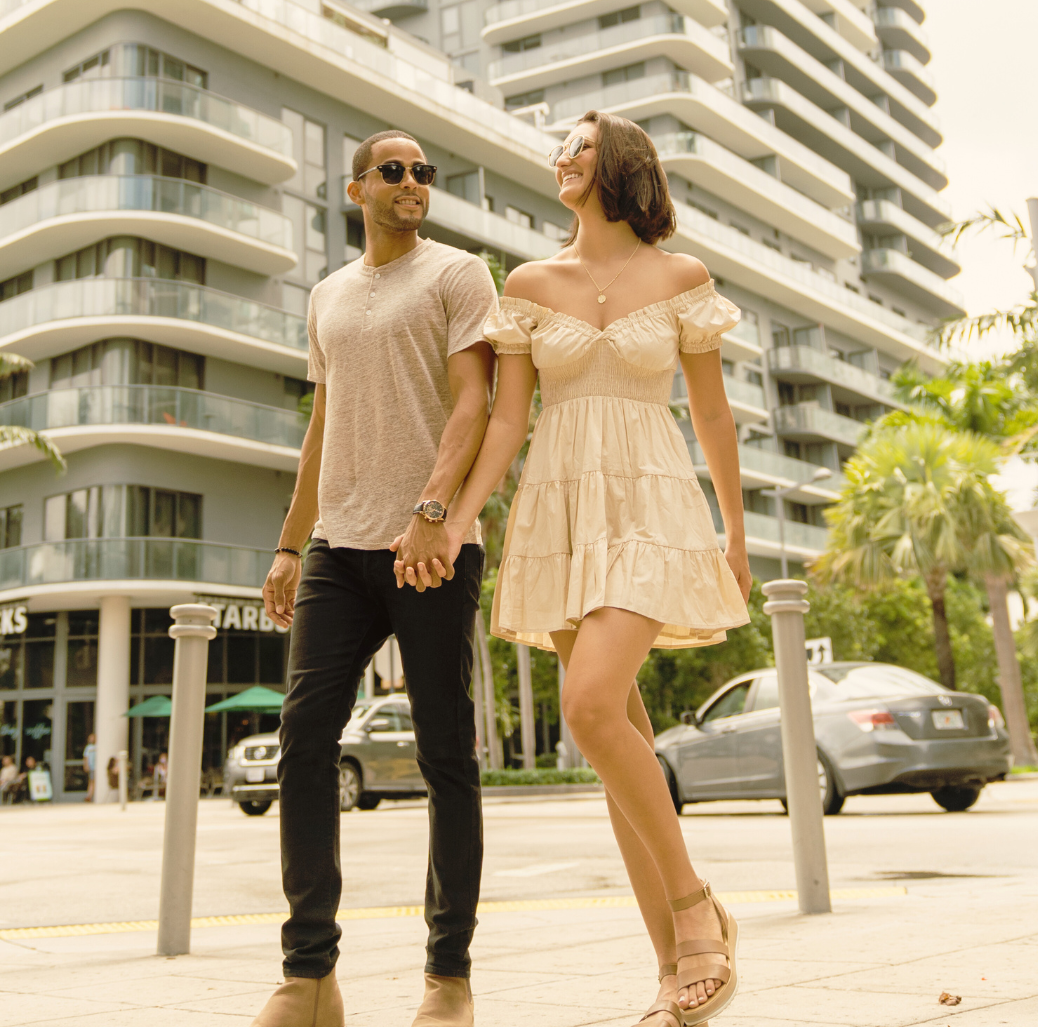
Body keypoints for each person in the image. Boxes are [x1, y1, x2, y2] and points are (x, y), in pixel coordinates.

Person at [438, 112, 753, 1026]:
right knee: (619, 742)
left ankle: (697, 915)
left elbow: (715, 416)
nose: (562, 158)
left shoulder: (680, 277)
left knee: (588, 706)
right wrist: (460, 515)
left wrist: (735, 534)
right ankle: (670, 970)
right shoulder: (530, 283)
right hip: (561, 506)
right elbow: (505, 419)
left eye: (578, 145)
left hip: (652, 500)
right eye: (560, 149)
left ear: (619, 164)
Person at [256, 130, 497, 1027]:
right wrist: (289, 544)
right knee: (304, 736)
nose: (412, 183)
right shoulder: (326, 296)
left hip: (429, 545)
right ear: (357, 188)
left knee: (445, 755)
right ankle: (309, 976)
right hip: (338, 548)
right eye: (393, 171)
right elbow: (325, 424)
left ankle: (448, 977)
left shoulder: (458, 275)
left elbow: (473, 399)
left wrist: (434, 514)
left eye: (424, 173)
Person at [83, 732, 97, 803]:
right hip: (92, 767)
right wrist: (86, 765)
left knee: (94, 781)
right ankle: (89, 796)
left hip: (97, 767)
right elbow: (86, 757)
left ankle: (91, 795)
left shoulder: (99, 746)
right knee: (92, 781)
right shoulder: (88, 748)